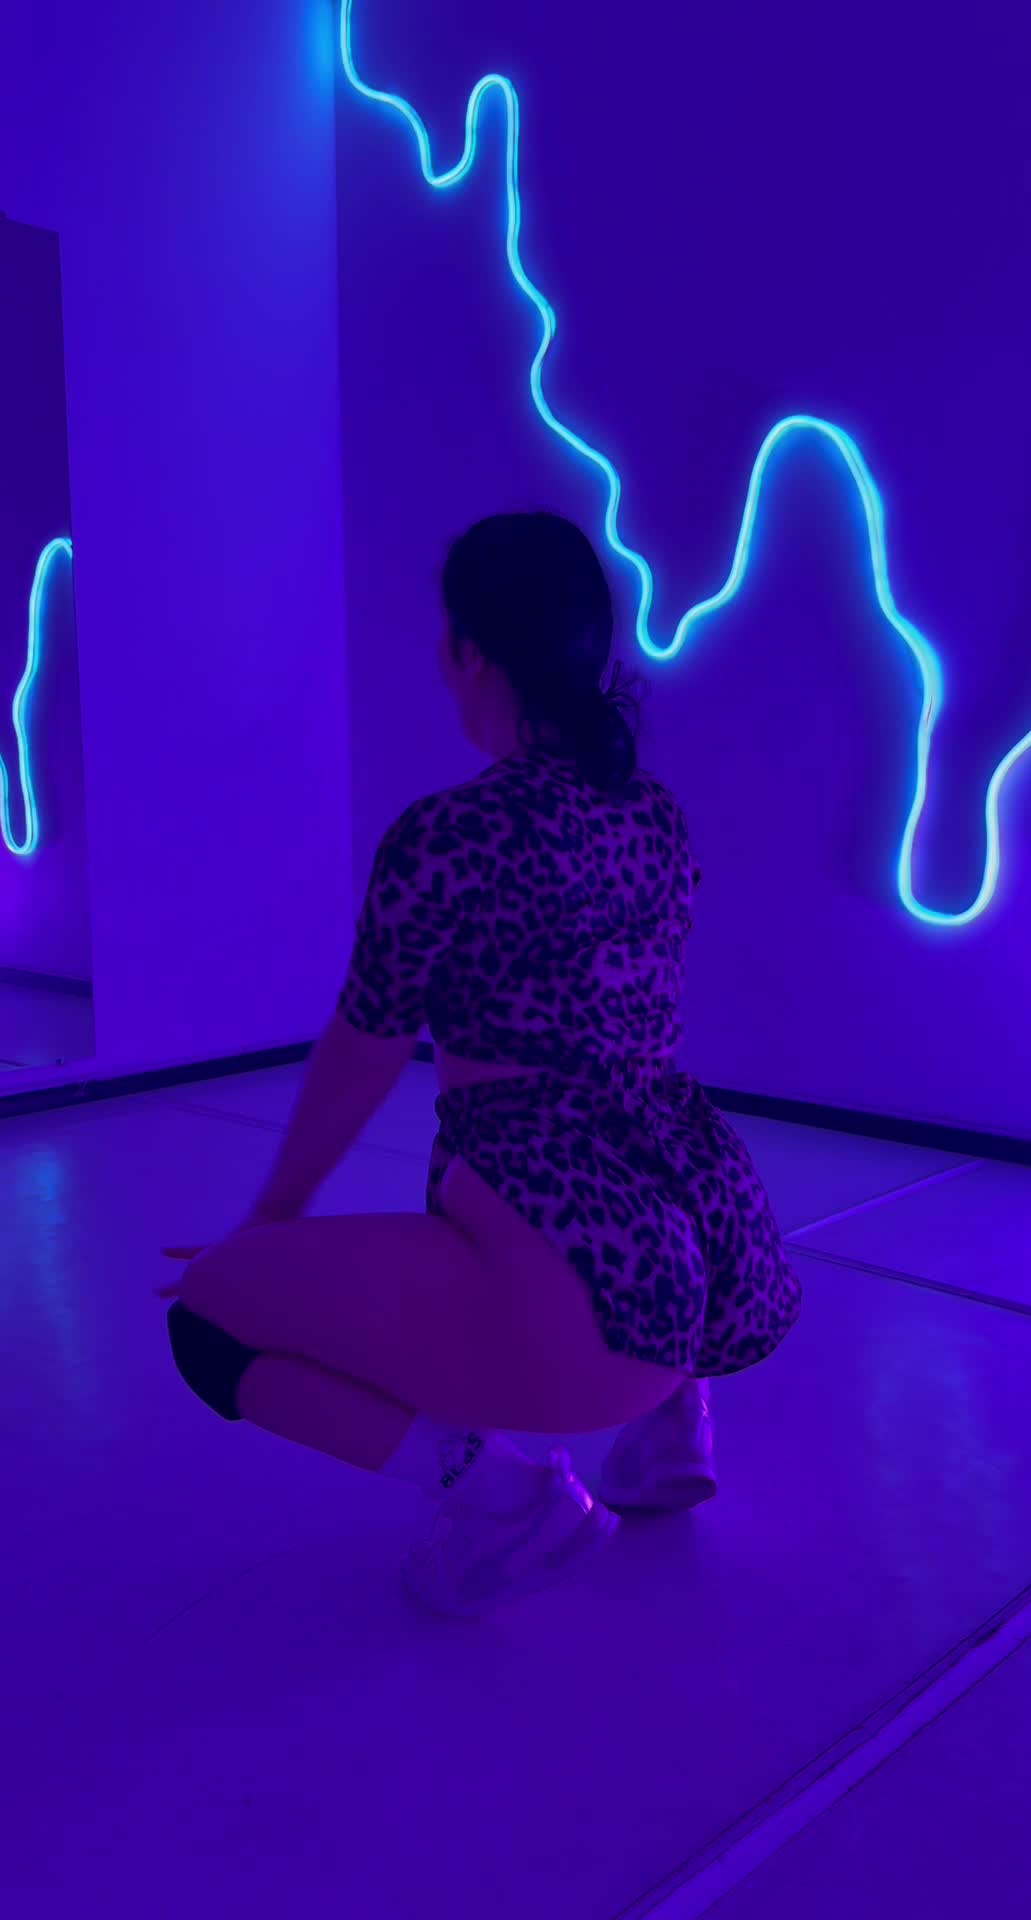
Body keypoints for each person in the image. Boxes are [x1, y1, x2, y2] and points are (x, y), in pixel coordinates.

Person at [165, 511, 801, 1616]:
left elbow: (364, 1051)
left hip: (569, 1302)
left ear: (468, 652)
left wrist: (267, 1219)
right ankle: (673, 1428)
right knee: (631, 1107)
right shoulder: (653, 814)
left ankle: (506, 1496)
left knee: (207, 1326)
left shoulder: (451, 835)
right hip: (698, 1270)